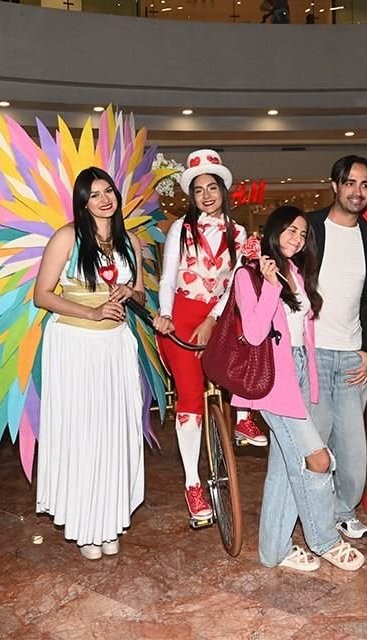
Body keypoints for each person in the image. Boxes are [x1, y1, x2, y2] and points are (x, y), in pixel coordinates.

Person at [233, 206, 365, 572]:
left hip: (301, 375)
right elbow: (257, 332)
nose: (297, 239)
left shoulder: (294, 272)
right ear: (273, 232)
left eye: (303, 234)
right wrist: (272, 286)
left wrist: (313, 385)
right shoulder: (248, 276)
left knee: (284, 466)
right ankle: (324, 540)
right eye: (290, 231)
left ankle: (272, 551)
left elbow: (304, 333)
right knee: (317, 460)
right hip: (273, 379)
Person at [32, 167, 146, 560]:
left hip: (116, 348)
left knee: (114, 434)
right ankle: (84, 526)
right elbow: (42, 295)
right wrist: (93, 312)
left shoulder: (130, 239)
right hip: (74, 346)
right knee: (82, 434)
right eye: (94, 194)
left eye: (109, 190)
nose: (104, 199)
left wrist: (129, 291)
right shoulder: (66, 237)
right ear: (83, 202)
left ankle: (109, 520)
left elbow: (142, 298)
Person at [153, 149, 264, 527]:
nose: (206, 195)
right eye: (198, 189)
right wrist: (166, 315)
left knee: (254, 336)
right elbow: (168, 277)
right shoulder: (179, 230)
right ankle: (193, 483)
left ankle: (244, 416)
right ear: (192, 196)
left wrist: (215, 319)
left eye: (211, 187)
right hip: (182, 315)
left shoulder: (239, 233)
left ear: (223, 190)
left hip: (218, 314)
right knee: (189, 400)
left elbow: (235, 285)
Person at [306, 156, 367, 540]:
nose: (357, 191)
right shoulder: (310, 229)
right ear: (334, 185)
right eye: (350, 183)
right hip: (313, 353)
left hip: (354, 357)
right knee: (314, 446)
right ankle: (315, 517)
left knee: (353, 451)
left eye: (365, 185)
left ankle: (343, 510)